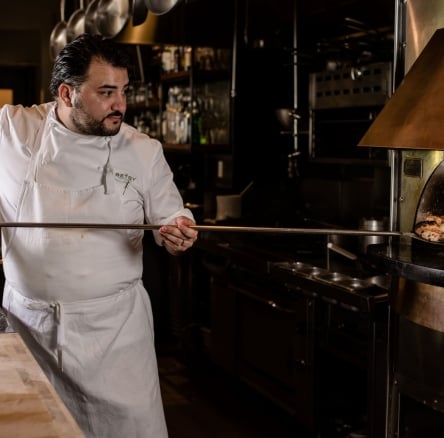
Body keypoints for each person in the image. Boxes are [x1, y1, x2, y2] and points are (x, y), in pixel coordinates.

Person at [0, 33, 198, 438]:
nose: (120, 104)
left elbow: (171, 214)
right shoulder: (13, 131)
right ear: (67, 93)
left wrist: (178, 230)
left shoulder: (143, 150)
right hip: (30, 328)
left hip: (114, 339)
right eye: (106, 92)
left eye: (124, 91)